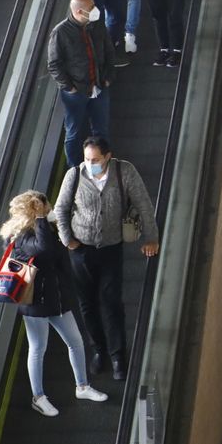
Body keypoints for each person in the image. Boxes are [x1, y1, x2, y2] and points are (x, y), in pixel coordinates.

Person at [54, 137, 160, 380]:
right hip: (80, 249)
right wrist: (68, 239)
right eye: (86, 159)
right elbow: (61, 209)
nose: (90, 164)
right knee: (87, 304)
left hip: (112, 248)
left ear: (108, 156)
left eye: (95, 160)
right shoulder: (74, 175)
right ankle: (99, 349)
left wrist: (150, 237)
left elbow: (144, 205)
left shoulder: (125, 172)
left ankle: (117, 355)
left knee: (111, 301)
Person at [0, 190, 110, 415]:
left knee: (76, 342)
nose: (49, 208)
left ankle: (82, 386)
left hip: (56, 300)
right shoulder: (21, 237)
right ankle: (38, 397)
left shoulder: (45, 230)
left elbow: (60, 250)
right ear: (33, 210)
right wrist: (41, 219)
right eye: (43, 206)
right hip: (35, 304)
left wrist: (54, 223)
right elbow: (44, 249)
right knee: (38, 348)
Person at [46, 0, 115, 168]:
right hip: (75, 94)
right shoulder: (60, 33)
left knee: (102, 131)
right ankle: (75, 171)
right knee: (73, 134)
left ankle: (100, 167)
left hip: (99, 87)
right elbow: (54, 64)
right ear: (78, 11)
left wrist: (107, 78)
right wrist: (70, 88)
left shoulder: (97, 25)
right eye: (91, 8)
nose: (95, 10)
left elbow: (109, 51)